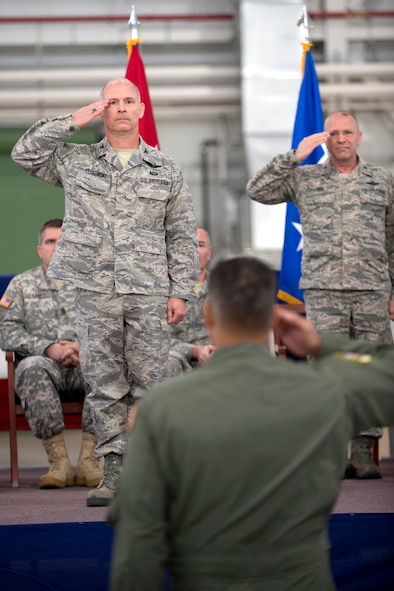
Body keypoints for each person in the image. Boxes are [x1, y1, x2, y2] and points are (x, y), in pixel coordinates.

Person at [108, 255, 394, 591]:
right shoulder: (325, 391)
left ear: (209, 314)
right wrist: (322, 343)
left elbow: (139, 541)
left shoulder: (163, 408)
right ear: (274, 317)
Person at [11, 78, 199, 506]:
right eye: (110, 102)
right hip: (95, 290)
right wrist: (73, 120)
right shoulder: (76, 162)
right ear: (101, 109)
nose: (119, 108)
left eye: (127, 101)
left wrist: (181, 291)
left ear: (141, 109)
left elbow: (182, 234)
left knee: (150, 382)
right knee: (105, 384)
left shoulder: (165, 169)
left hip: (149, 289)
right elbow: (24, 153)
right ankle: (112, 473)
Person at [246, 109, 394, 479]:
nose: (341, 138)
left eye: (348, 132)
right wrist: (293, 156)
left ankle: (363, 452)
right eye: (334, 133)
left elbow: (392, 239)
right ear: (325, 139)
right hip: (324, 289)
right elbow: (256, 190)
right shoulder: (304, 179)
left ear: (359, 137)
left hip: (373, 289)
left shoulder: (383, 180)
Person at [0, 219, 102, 489]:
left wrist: (82, 347)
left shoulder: (91, 286)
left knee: (106, 368)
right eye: (50, 241)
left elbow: (109, 328)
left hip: (84, 362)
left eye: (63, 241)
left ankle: (90, 461)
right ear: (39, 249)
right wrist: (49, 348)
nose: (57, 247)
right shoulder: (21, 286)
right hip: (43, 364)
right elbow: (6, 331)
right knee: (32, 366)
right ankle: (59, 463)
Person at [166, 226, 215, 377]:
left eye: (200, 245)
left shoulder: (226, 288)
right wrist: (195, 351)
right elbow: (157, 340)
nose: (194, 251)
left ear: (209, 253)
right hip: (177, 362)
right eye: (189, 245)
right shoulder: (162, 291)